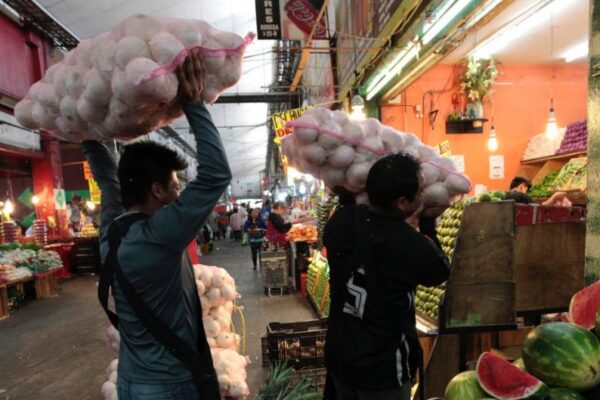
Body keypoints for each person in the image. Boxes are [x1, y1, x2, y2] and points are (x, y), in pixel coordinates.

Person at [82, 52, 231, 400]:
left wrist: (87, 133)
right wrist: (193, 104)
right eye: (175, 187)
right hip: (170, 387)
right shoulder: (160, 234)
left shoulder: (111, 232)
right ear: (157, 191)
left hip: (132, 383)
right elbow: (216, 175)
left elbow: (108, 181)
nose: (179, 195)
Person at [323, 153, 450, 400]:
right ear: (402, 203)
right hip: (383, 370)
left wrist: (347, 195)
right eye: (420, 192)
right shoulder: (410, 245)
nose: (424, 196)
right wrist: (427, 224)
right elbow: (440, 272)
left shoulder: (340, 221)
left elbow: (351, 216)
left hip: (341, 357)